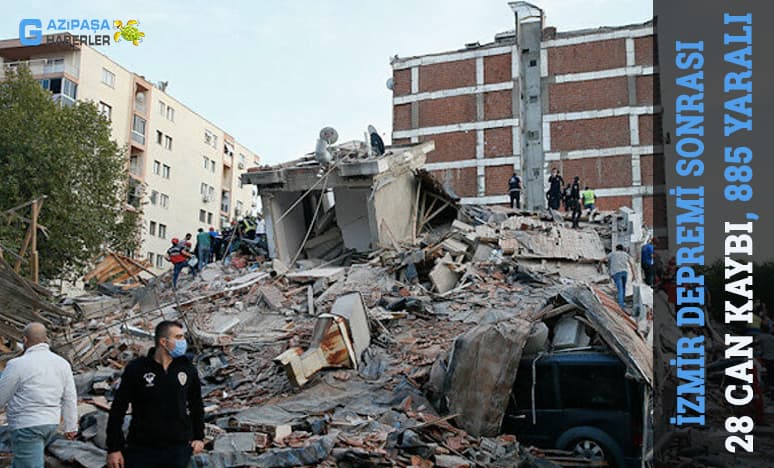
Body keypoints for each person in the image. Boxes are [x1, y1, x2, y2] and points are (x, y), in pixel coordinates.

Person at [106, 321, 204, 468]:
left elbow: (196, 404)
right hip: (141, 448)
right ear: (163, 342)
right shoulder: (137, 369)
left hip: (177, 448)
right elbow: (118, 409)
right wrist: (114, 448)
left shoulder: (187, 369)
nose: (183, 342)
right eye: (178, 337)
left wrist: (199, 437)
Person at [0, 323, 77, 468]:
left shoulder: (17, 364)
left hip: (27, 425)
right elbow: (70, 397)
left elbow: (2, 396)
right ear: (46, 339)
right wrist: (71, 426)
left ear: (25, 340)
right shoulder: (62, 363)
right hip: (51, 424)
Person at [605, 244, 632, 309]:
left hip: (616, 273)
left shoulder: (612, 254)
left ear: (616, 248)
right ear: (622, 248)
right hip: (624, 272)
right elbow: (631, 264)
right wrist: (633, 274)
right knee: (623, 288)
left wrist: (599, 266)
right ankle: (623, 302)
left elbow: (603, 259)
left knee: (620, 289)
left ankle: (621, 305)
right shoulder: (626, 254)